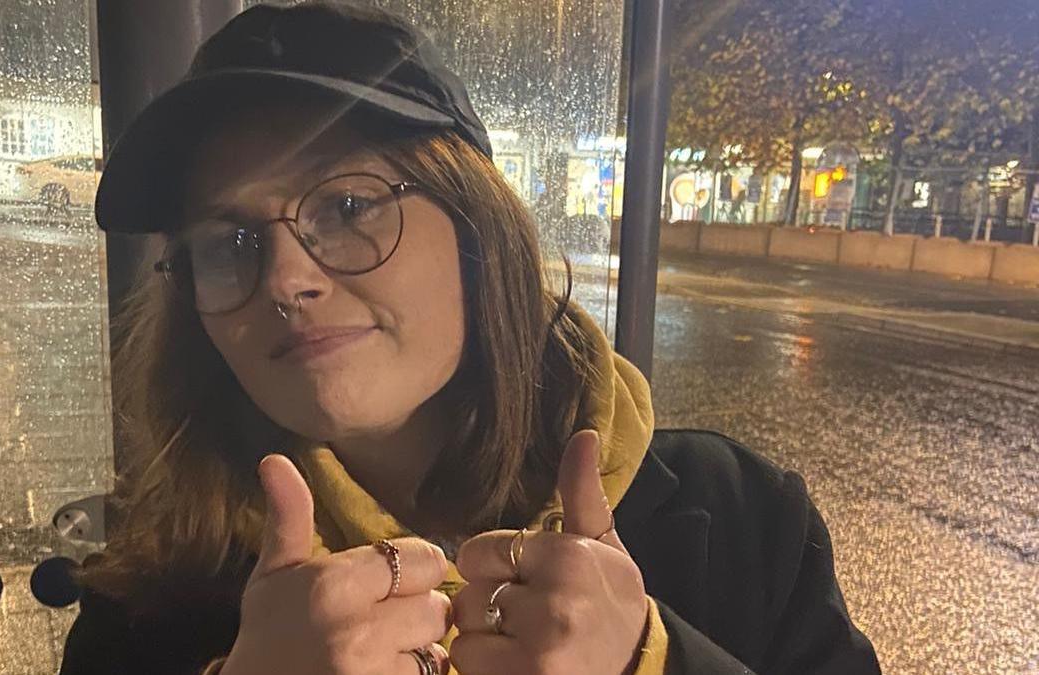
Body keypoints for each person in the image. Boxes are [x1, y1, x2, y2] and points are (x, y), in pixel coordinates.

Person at [60, 2, 880, 674]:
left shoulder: (745, 520)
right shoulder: (147, 594)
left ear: (476, 230)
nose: (284, 279)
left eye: (348, 208)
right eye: (227, 242)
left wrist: (655, 663)